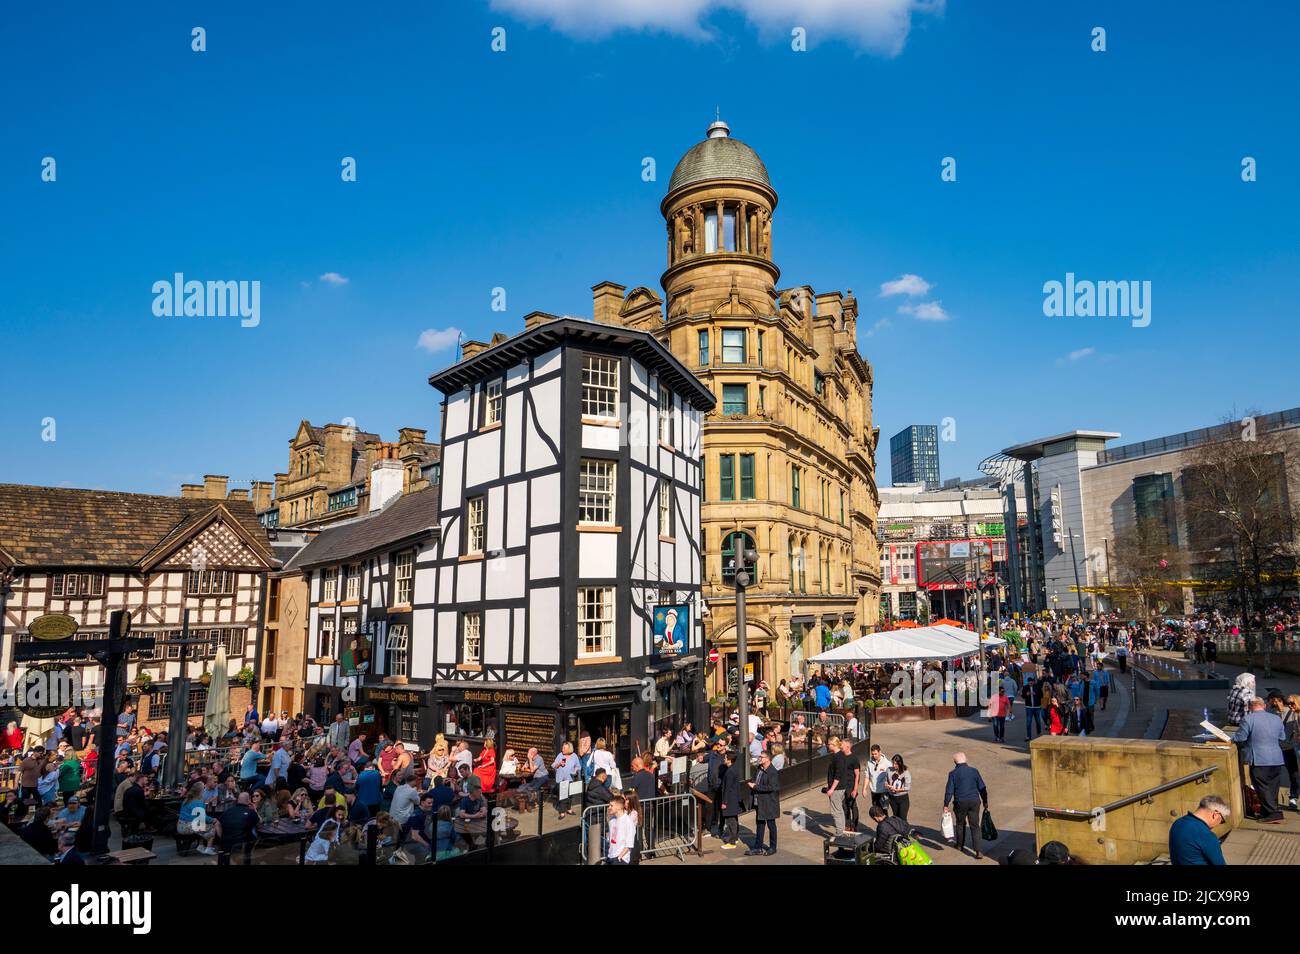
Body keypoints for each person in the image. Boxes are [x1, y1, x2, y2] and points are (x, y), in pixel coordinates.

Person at [1233, 696, 1287, 823]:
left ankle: (1273, 813)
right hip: (1276, 758)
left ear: (1250, 707)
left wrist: (1232, 737)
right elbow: (1282, 737)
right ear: (1264, 706)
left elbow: (1241, 737)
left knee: (1261, 786)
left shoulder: (1248, 719)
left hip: (1259, 758)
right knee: (1273, 786)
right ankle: (1267, 811)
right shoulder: (1276, 718)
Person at [942, 752, 989, 859]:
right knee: (975, 826)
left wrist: (946, 804)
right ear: (966, 760)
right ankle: (978, 851)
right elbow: (982, 787)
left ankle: (959, 845)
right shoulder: (974, 771)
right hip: (974, 801)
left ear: (955, 762)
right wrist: (985, 801)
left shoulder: (953, 774)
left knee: (960, 824)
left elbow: (949, 791)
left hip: (960, 802)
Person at [1168, 795, 1229, 865]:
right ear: (1215, 815)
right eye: (1222, 821)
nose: (1219, 824)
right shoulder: (1206, 835)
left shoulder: (1177, 823)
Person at [745, 751, 780, 856]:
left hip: (769, 803)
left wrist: (755, 786)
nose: (760, 758)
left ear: (768, 759)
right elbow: (755, 780)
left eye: (762, 757)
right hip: (759, 801)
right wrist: (752, 783)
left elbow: (772, 787)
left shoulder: (772, 772)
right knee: (760, 824)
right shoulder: (759, 769)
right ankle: (758, 847)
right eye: (760, 756)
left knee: (771, 824)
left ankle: (773, 847)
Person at [214, 792, 260, 863]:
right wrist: (254, 809)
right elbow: (260, 822)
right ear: (248, 800)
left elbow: (217, 824)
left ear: (238, 800)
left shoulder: (228, 811)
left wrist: (222, 836)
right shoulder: (251, 812)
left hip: (226, 843)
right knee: (254, 837)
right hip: (241, 844)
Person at [717, 752, 741, 849]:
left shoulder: (730, 771)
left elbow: (727, 788)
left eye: (725, 758)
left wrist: (724, 802)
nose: (724, 759)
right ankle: (735, 838)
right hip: (734, 798)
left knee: (731, 820)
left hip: (730, 799)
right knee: (734, 819)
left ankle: (732, 842)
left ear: (729, 760)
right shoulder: (733, 769)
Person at [605, 795, 632, 864]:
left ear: (619, 807)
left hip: (620, 859)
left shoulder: (627, 821)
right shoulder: (612, 820)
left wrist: (620, 856)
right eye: (609, 805)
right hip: (610, 856)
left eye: (611, 806)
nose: (609, 808)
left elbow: (629, 843)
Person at [886, 753, 911, 822]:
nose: (894, 765)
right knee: (896, 818)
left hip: (903, 798)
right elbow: (886, 781)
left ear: (900, 764)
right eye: (893, 763)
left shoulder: (906, 772)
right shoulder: (889, 770)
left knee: (902, 818)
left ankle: (905, 832)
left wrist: (897, 790)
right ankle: (898, 832)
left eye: (896, 764)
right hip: (892, 798)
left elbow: (907, 787)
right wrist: (887, 785)